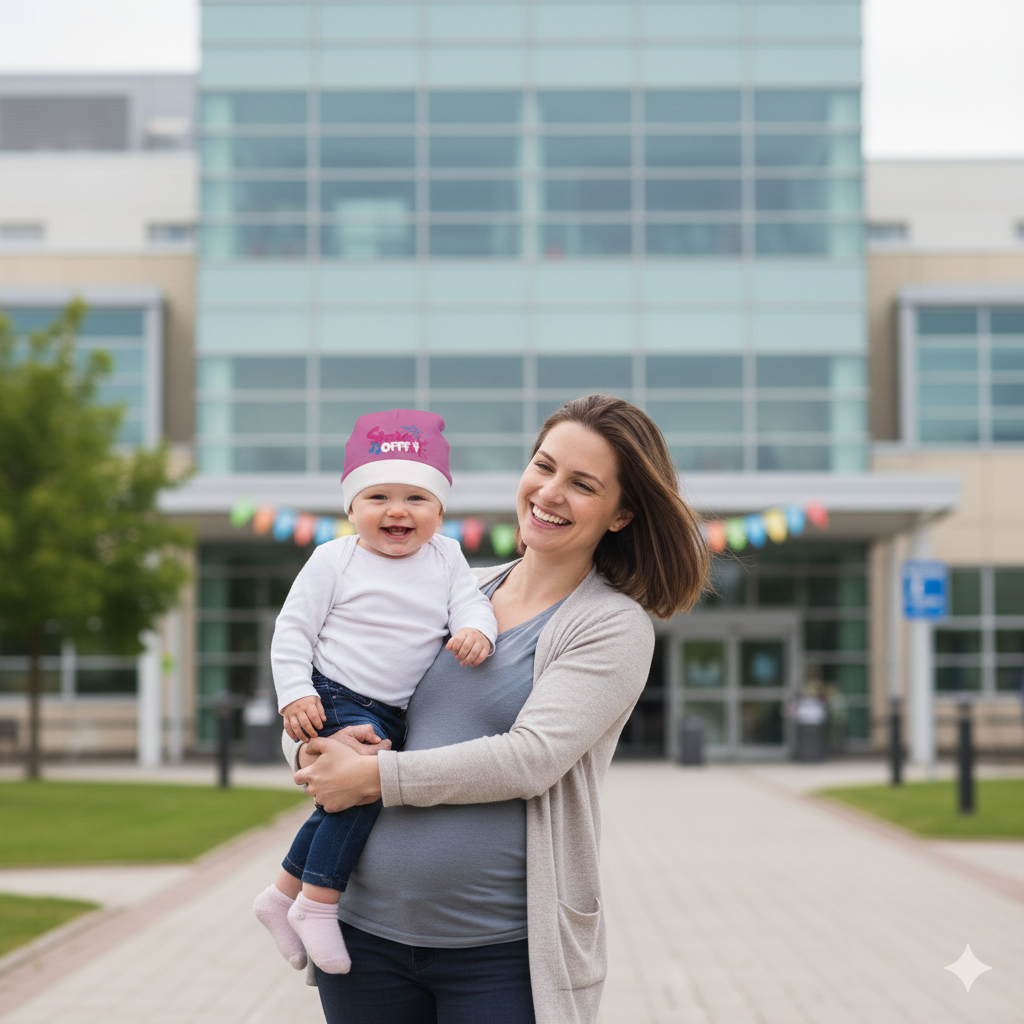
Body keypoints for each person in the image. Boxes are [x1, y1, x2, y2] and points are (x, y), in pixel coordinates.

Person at [287, 394, 711, 1024]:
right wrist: (313, 747)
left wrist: (372, 777)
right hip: (365, 936)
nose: (550, 492)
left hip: (500, 956)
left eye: (582, 484)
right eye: (544, 466)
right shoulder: (454, 588)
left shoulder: (610, 626)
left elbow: (531, 759)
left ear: (621, 513)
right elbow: (347, 681)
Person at [253, 409, 498, 975]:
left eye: (416, 498)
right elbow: (292, 630)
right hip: (335, 691)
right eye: (378, 496)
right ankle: (318, 903)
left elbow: (471, 602)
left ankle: (281, 896)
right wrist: (294, 693)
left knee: (347, 793)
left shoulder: (448, 557)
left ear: (440, 510)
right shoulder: (334, 559)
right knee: (363, 791)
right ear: (351, 509)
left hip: (393, 708)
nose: (396, 510)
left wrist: (476, 629)